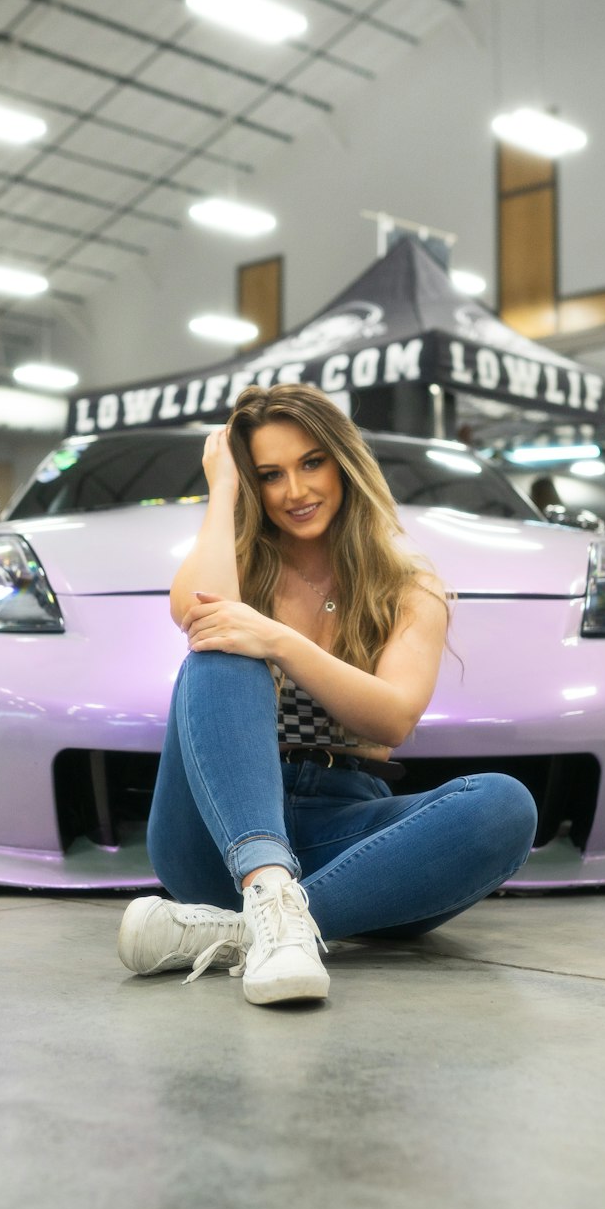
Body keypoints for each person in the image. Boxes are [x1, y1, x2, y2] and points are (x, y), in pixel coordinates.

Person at [116, 384, 537, 1006]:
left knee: (505, 806)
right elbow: (197, 613)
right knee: (222, 649)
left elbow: (392, 718)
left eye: (312, 462)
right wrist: (223, 489)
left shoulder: (407, 587)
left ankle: (247, 928)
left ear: (344, 461)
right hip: (213, 835)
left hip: (345, 836)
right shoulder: (240, 562)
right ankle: (265, 889)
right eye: (269, 474)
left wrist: (281, 642)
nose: (296, 490)